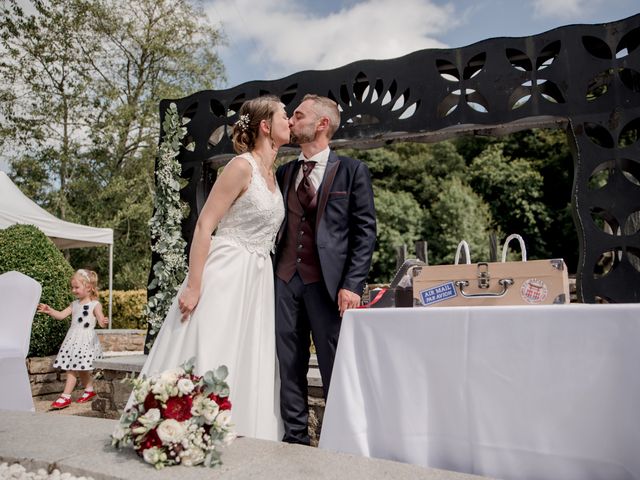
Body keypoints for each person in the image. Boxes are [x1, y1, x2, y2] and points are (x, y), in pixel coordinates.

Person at [131, 96, 288, 440]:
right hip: (227, 270)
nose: (289, 121)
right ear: (266, 126)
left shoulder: (272, 174)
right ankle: (179, 432)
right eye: (284, 116)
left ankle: (232, 430)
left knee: (245, 354)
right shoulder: (240, 167)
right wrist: (194, 285)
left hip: (257, 279)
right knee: (212, 343)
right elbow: (204, 225)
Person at [274, 94, 377, 444]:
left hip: (330, 287)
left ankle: (340, 440)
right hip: (285, 282)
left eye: (298, 116)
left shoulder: (352, 171)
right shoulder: (284, 172)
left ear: (321, 124)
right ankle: (296, 439)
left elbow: (365, 233)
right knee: (289, 365)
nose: (290, 122)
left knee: (336, 365)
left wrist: (352, 284)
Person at [38, 269, 108, 409]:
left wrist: (102, 321)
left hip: (86, 340)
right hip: (73, 338)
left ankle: (65, 397)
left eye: (76, 287)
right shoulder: (74, 304)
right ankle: (89, 390)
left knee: (72, 367)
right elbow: (61, 315)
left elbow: (100, 317)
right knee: (80, 367)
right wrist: (50, 310)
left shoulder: (95, 304)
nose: (73, 290)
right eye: (73, 287)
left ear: (88, 287)